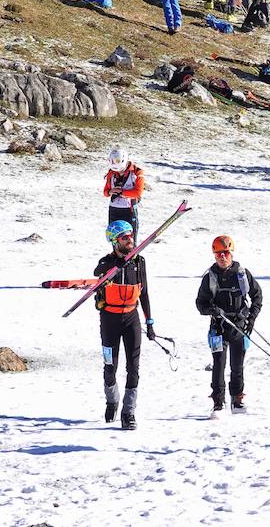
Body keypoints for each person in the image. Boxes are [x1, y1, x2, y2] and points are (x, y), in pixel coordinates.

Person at [95, 219, 156, 430]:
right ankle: (112, 400)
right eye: (124, 237)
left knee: (133, 367)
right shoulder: (106, 262)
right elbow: (97, 272)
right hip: (109, 320)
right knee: (110, 367)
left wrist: (149, 322)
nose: (130, 239)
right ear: (114, 241)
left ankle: (129, 411)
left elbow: (145, 293)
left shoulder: (139, 262)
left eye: (131, 235)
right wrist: (114, 266)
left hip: (132, 319)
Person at [195, 235, 262, 417]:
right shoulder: (210, 277)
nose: (222, 257)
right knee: (219, 364)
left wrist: (252, 317)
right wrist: (212, 310)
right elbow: (200, 304)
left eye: (225, 253)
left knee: (237, 365)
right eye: (218, 254)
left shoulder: (242, 274)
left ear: (231, 253)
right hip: (218, 328)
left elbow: (257, 297)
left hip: (239, 326)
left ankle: (237, 400)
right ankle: (218, 402)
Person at [103, 145, 144, 240]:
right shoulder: (111, 173)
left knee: (130, 239)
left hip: (128, 210)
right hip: (114, 210)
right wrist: (110, 192)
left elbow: (138, 193)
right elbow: (105, 192)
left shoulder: (137, 172)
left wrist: (122, 192)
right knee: (115, 238)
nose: (118, 172)